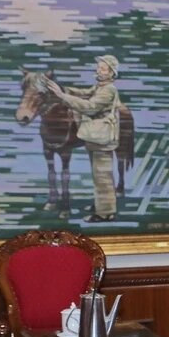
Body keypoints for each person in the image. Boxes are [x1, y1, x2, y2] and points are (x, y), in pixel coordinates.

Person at [46, 54, 121, 223]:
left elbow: (90, 107)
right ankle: (102, 204)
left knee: (102, 175)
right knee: (99, 174)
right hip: (97, 138)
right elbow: (86, 93)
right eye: (99, 67)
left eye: (103, 69)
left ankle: (105, 213)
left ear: (111, 73)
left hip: (102, 138)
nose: (99, 70)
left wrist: (62, 96)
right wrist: (64, 89)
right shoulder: (100, 87)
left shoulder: (109, 90)